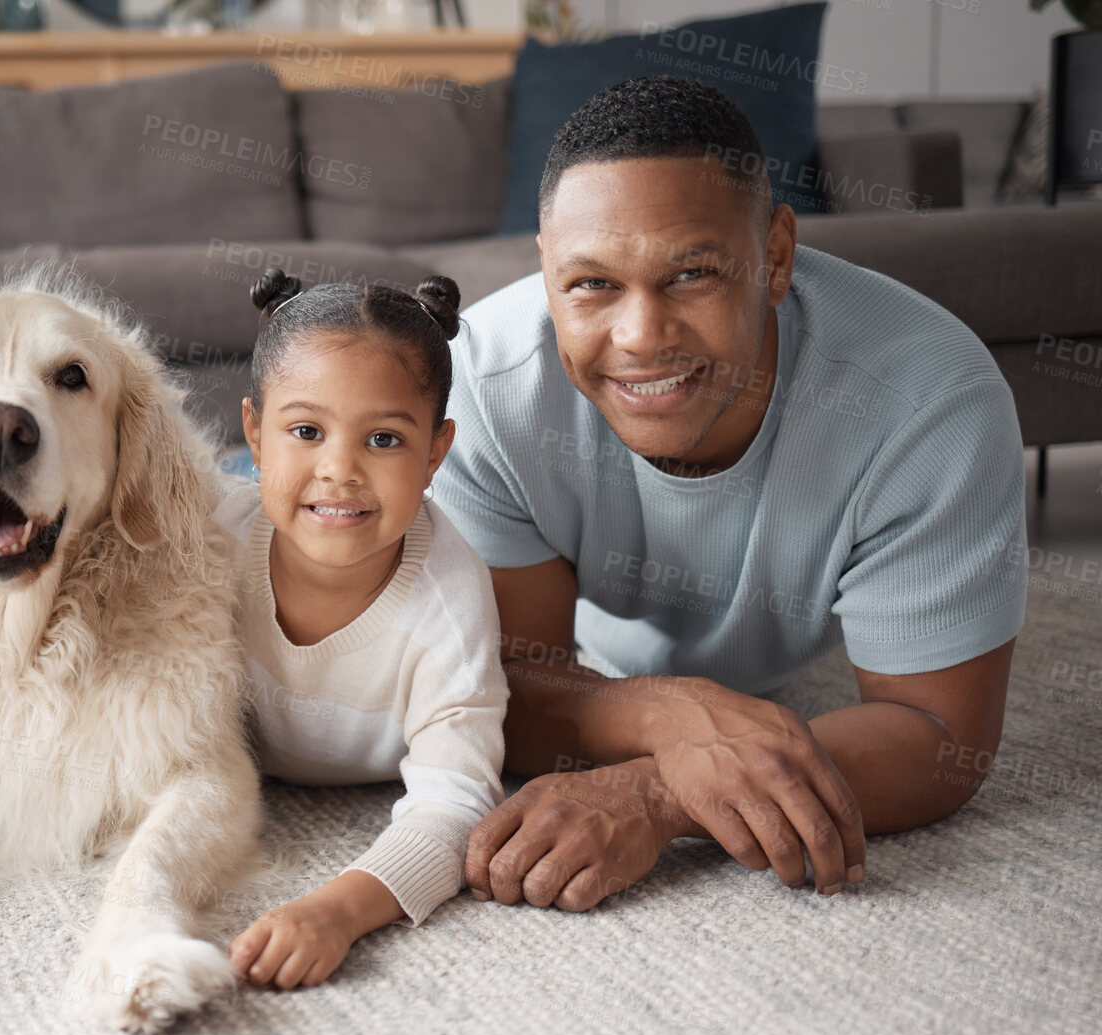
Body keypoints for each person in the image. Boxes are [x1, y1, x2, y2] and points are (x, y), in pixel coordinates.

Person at [438, 76, 1027, 912]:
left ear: (776, 257)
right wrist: (669, 717)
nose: (640, 337)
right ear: (544, 268)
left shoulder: (935, 401)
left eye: (692, 274)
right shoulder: (481, 389)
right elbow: (507, 691)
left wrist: (663, 792)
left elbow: (940, 739)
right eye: (591, 284)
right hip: (608, 635)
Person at [220, 267, 509, 989]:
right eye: (306, 431)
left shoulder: (450, 598)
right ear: (256, 431)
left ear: (436, 453)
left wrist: (339, 911)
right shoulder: (208, 538)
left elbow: (457, 803)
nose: (339, 470)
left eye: (383, 439)